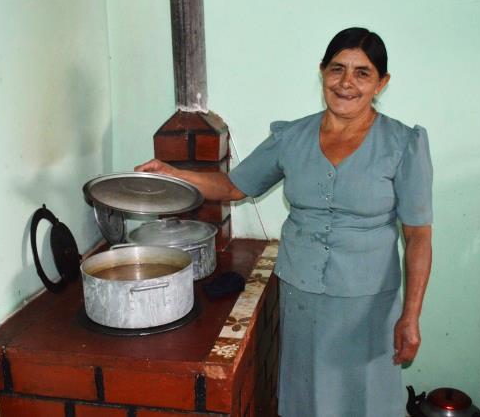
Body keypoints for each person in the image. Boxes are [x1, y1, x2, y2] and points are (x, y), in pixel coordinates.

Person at [136, 27, 432, 417]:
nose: (347, 83)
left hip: (369, 301)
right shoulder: (291, 137)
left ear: (381, 83)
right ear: (322, 72)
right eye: (337, 69)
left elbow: (418, 237)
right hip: (302, 292)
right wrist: (175, 174)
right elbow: (233, 186)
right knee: (307, 394)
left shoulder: (402, 143)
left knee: (367, 397)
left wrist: (411, 316)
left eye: (363, 73)